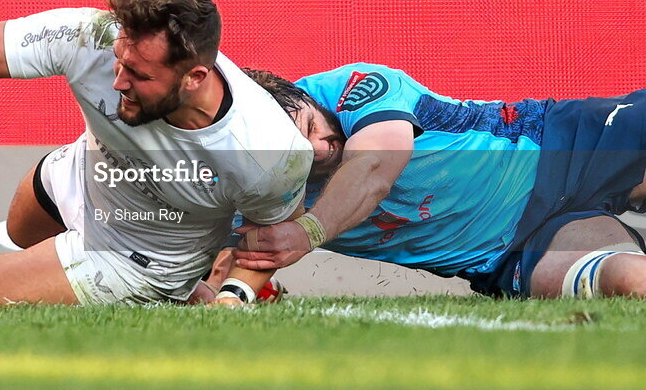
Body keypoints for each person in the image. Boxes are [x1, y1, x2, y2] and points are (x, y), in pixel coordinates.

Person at [0, 0, 313, 306]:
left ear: (195, 77)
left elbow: (269, 236)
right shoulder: (94, 36)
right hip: (82, 171)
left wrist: (232, 297)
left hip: (140, 258)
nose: (118, 80)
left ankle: (165, 295)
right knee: (19, 231)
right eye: (120, 62)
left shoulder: (269, 151)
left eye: (140, 76)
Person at [226, 64, 646, 300]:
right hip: (508, 253)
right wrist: (229, 293)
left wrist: (307, 232)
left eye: (312, 128)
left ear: (304, 97)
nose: (318, 150)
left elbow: (373, 168)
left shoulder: (351, 87)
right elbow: (222, 261)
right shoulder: (252, 184)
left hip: (559, 146)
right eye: (298, 155)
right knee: (630, 282)